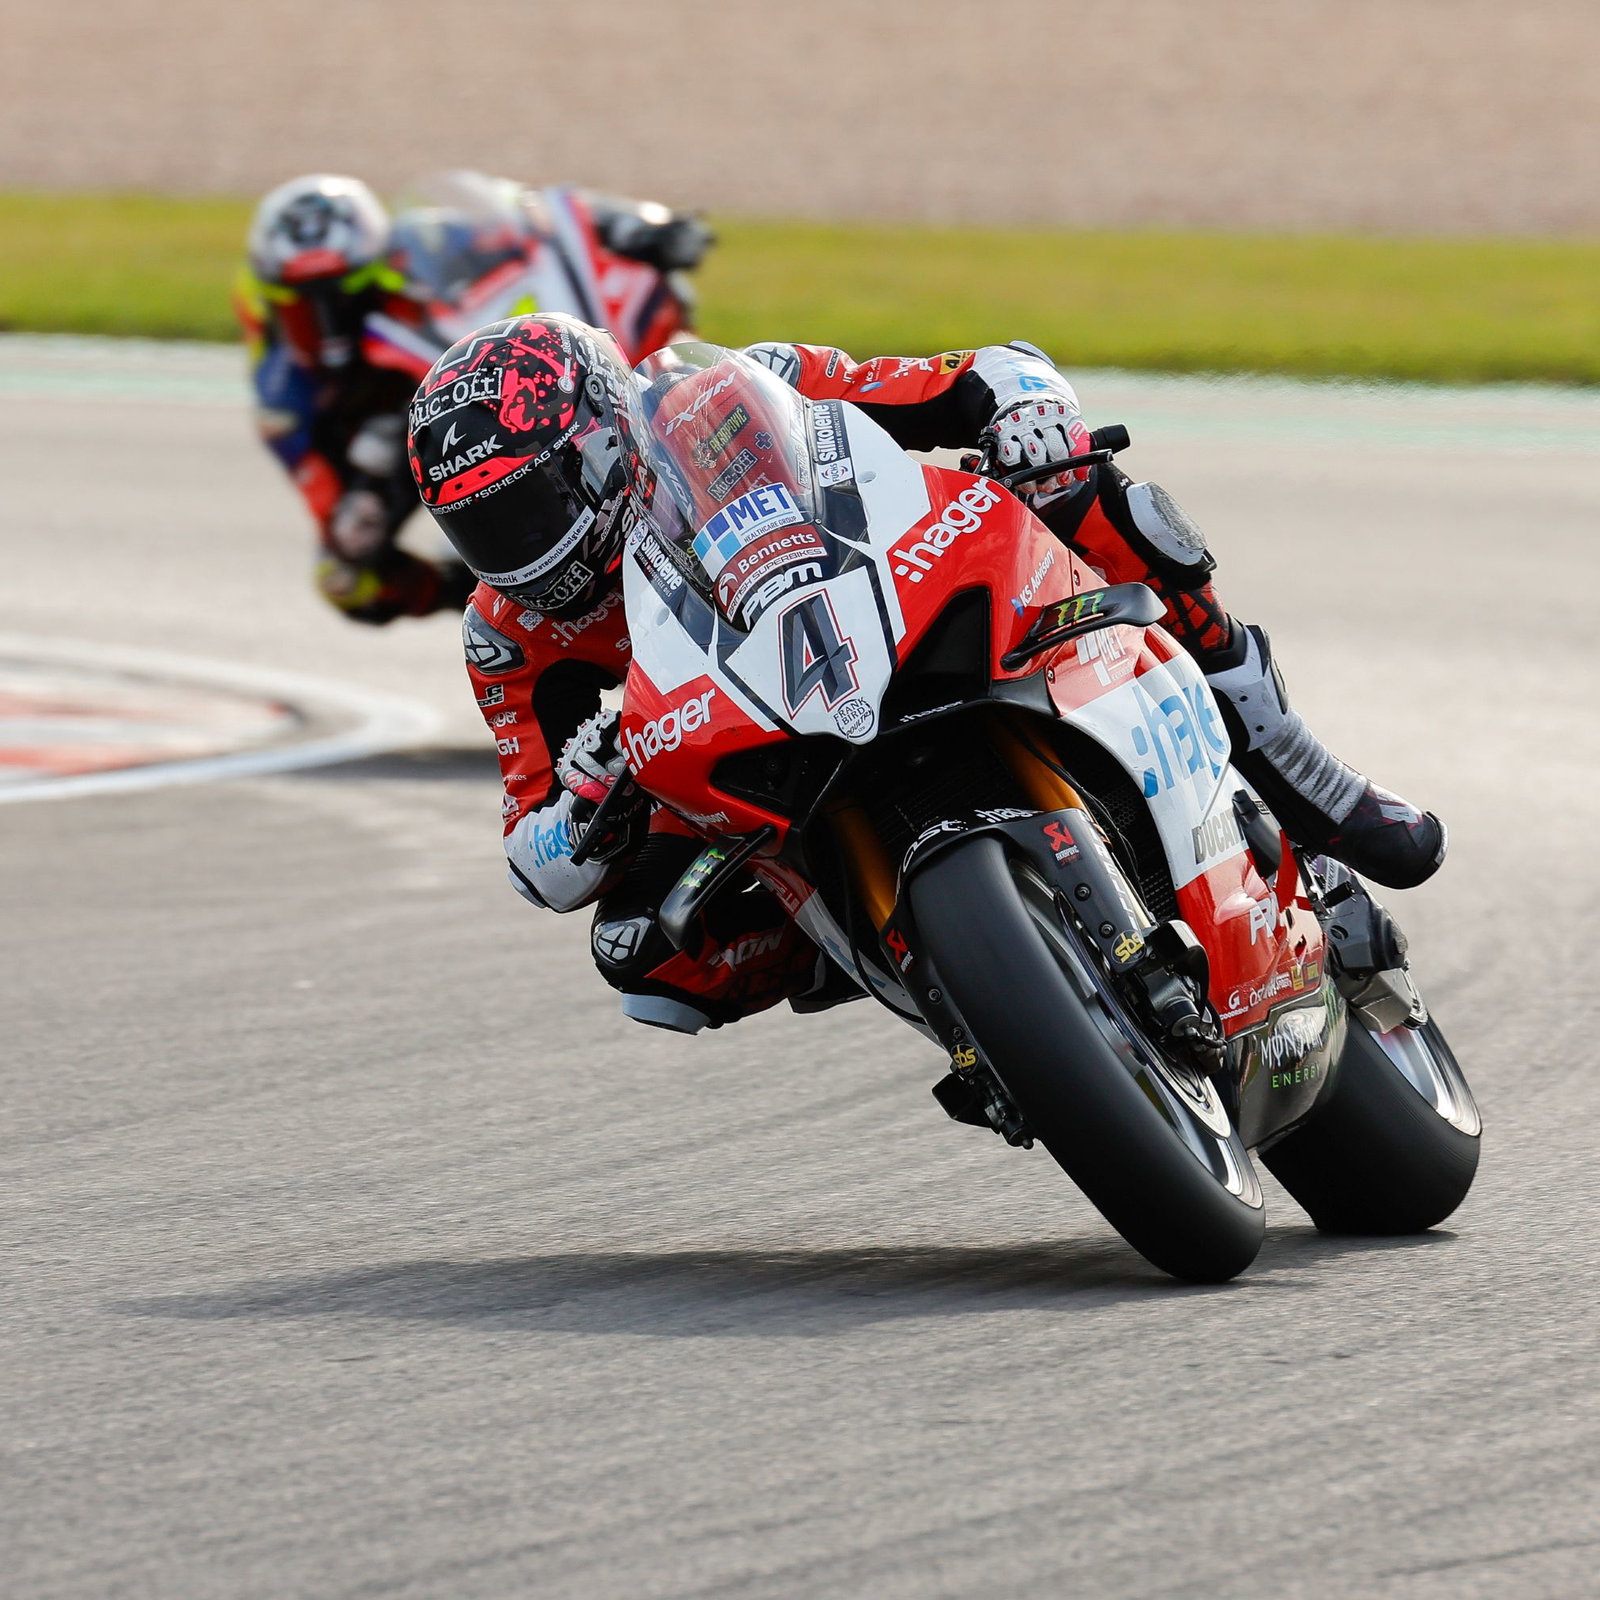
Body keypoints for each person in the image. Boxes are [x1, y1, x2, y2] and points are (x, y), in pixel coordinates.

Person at [405, 312, 1445, 1033]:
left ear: (600, 440)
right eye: (479, 527)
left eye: (530, 507)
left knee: (1088, 493)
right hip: (735, 751)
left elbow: (973, 375)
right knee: (639, 948)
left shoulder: (726, 394)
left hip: (885, 607)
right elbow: (532, 854)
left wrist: (1021, 413)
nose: (516, 550)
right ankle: (881, 951)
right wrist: (587, 793)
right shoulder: (507, 634)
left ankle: (1286, 756)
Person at [235, 174, 713, 626]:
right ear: (269, 301)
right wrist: (357, 516)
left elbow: (539, 213)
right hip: (409, 453)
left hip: (479, 395)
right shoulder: (284, 398)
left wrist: (632, 223)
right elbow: (328, 508)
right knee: (344, 580)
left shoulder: (420, 247)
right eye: (306, 306)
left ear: (376, 270)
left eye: (344, 298)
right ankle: (481, 594)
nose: (328, 325)